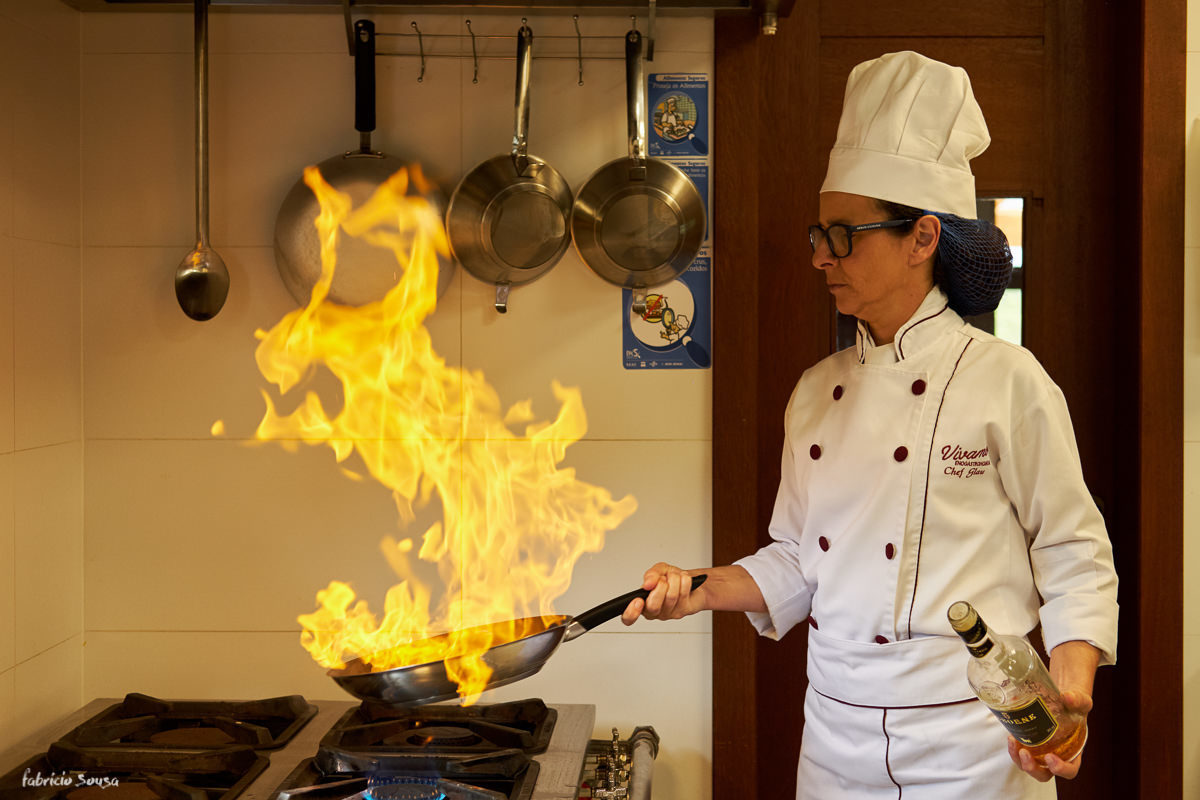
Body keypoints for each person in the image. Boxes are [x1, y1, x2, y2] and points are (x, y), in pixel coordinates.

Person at [620, 51, 1118, 799]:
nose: (823, 257)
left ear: (923, 238)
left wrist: (1068, 693)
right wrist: (699, 588)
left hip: (973, 744)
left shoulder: (1008, 381)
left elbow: (1074, 551)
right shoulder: (815, 393)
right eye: (819, 235)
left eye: (845, 235)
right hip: (834, 738)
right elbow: (795, 560)